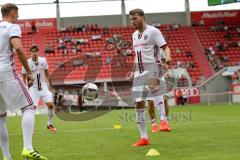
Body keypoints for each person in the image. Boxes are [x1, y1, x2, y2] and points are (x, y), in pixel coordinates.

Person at [0, 3, 47, 160]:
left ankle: (7, 157)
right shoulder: (12, 27)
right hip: (6, 72)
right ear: (13, 13)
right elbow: (19, 49)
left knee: (1, 117)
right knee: (29, 107)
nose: (18, 17)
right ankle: (27, 147)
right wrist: (28, 72)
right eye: (17, 15)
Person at [127, 9, 171, 147]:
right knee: (139, 104)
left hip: (154, 66)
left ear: (142, 17)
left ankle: (163, 120)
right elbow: (137, 55)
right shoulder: (134, 35)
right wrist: (133, 71)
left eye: (135, 18)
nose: (132, 21)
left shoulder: (153, 31)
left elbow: (165, 47)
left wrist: (168, 57)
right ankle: (144, 138)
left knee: (153, 88)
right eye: (131, 19)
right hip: (139, 72)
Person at [22, 45, 57, 132]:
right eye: (32, 51)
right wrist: (26, 87)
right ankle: (31, 128)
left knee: (51, 105)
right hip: (33, 88)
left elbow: (47, 74)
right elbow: (23, 76)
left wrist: (51, 85)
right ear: (30, 53)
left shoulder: (43, 61)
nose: (34, 53)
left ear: (38, 52)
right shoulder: (27, 63)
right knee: (32, 108)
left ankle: (49, 124)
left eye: (35, 51)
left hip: (43, 87)